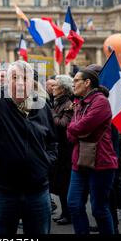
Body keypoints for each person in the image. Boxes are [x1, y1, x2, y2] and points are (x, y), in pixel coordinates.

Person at [0, 47, 57, 234]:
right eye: (14, 78)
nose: (20, 83)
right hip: (4, 193)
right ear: (7, 82)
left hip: (37, 192)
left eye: (24, 78)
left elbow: (52, 142)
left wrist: (46, 163)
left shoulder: (42, 107)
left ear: (32, 83)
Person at [67, 69, 118, 234]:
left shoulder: (101, 101)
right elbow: (71, 133)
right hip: (79, 161)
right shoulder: (79, 102)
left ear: (87, 82)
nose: (73, 84)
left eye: (76, 80)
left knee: (99, 209)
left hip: (101, 163)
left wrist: (74, 128)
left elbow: (80, 126)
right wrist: (75, 128)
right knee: (73, 204)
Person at [50, 75, 74, 225]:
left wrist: (50, 113)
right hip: (59, 149)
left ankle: (69, 214)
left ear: (63, 89)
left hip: (66, 150)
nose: (53, 87)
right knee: (60, 183)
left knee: (66, 183)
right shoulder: (59, 103)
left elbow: (63, 124)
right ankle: (64, 211)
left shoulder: (69, 104)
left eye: (56, 85)